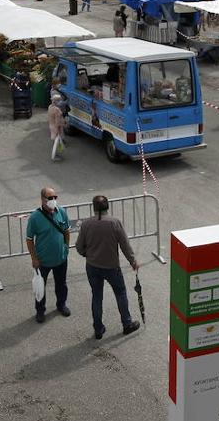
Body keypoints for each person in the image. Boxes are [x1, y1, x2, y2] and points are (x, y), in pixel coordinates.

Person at [74, 194, 141, 339]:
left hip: (92, 266)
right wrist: (133, 261)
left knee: (97, 296)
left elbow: (79, 247)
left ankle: (98, 329)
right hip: (112, 267)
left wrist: (88, 254)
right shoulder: (114, 222)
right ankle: (127, 324)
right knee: (121, 293)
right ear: (107, 206)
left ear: (94, 208)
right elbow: (124, 245)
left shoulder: (86, 224)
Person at [26, 187, 72, 323]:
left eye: (55, 198)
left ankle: (61, 305)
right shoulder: (35, 217)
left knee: (61, 284)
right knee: (41, 287)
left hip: (61, 258)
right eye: (50, 198)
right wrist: (34, 258)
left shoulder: (61, 212)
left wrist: (66, 247)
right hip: (42, 261)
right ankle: (40, 311)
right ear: (42, 200)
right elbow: (29, 239)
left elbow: (67, 231)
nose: (53, 201)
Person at [48, 95, 66, 161]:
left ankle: (55, 155)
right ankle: (54, 156)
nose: (60, 102)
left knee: (55, 141)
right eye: (59, 100)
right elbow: (57, 121)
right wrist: (58, 129)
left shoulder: (50, 107)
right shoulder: (57, 110)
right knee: (56, 142)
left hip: (51, 125)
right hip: (56, 127)